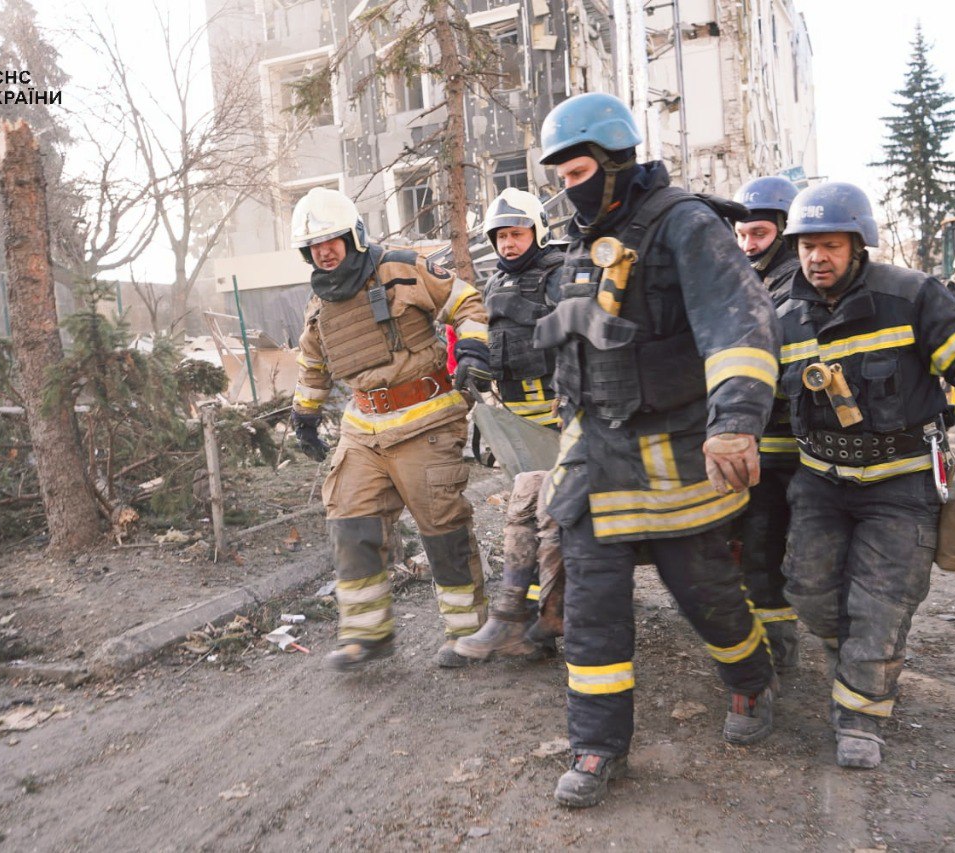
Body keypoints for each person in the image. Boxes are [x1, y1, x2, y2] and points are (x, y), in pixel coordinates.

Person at [532, 92, 781, 808]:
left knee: (707, 595)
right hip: (592, 452)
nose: (568, 188)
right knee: (592, 606)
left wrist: (734, 420)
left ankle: (750, 680)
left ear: (614, 164)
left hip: (674, 448)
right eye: (560, 177)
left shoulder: (685, 224)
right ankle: (597, 745)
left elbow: (740, 321)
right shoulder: (580, 240)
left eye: (576, 171)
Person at [776, 182, 955, 769]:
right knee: (808, 592)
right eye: (806, 246)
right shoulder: (780, 314)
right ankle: (850, 652)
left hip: (901, 483)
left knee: (883, 601)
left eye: (829, 244)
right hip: (819, 481)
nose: (816, 258)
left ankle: (861, 712)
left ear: (859, 244)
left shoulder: (912, 296)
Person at [287, 187, 493, 672]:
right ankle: (366, 633)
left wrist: (473, 349)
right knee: (349, 518)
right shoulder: (320, 301)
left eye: (332, 239)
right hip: (363, 427)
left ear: (353, 234)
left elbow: (465, 301)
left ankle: (469, 632)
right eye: (314, 245)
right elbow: (313, 361)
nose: (325, 251)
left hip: (426, 420)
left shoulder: (402, 269)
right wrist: (305, 414)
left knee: (442, 529)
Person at [454, 188, 566, 663]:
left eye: (517, 234)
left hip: (563, 420)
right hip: (519, 421)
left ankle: (533, 616)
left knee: (547, 512)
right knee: (531, 508)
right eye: (501, 236)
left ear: (536, 231)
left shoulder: (559, 275)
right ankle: (525, 619)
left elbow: (571, 336)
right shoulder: (495, 282)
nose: (508, 244)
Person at [730, 176, 804, 671]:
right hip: (757, 444)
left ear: (784, 228)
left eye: (758, 233)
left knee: (805, 553)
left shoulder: (804, 282)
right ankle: (778, 645)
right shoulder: (740, 281)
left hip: (803, 448)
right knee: (757, 547)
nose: (749, 244)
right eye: (741, 235)